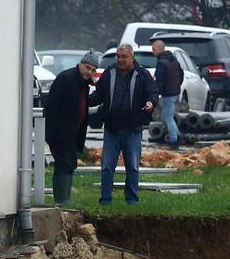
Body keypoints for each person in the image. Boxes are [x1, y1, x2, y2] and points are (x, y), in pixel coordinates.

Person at [89, 44, 159, 205]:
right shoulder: (109, 73)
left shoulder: (142, 74)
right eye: (118, 56)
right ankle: (105, 200)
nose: (120, 60)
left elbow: (152, 93)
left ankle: (132, 200)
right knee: (107, 166)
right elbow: (98, 95)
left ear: (132, 57)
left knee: (133, 167)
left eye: (124, 56)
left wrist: (150, 103)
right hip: (111, 128)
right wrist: (84, 100)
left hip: (132, 129)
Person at [44, 50, 100, 205]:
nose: (89, 72)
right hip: (59, 132)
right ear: (80, 64)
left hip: (72, 132)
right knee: (63, 163)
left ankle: (66, 198)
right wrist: (54, 132)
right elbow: (52, 107)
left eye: (93, 70)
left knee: (70, 164)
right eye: (87, 67)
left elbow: (83, 103)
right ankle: (62, 200)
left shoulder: (83, 84)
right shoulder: (67, 78)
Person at [152, 39, 183, 151]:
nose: (152, 51)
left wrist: (156, 93)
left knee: (168, 117)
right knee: (168, 116)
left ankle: (174, 140)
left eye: (153, 49)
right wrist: (177, 85)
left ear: (159, 49)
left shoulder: (161, 62)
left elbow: (159, 79)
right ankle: (178, 135)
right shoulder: (173, 59)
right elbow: (181, 73)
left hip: (168, 94)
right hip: (175, 92)